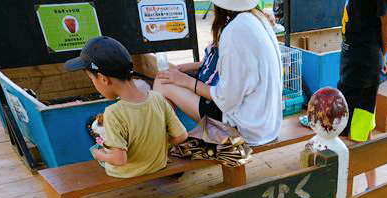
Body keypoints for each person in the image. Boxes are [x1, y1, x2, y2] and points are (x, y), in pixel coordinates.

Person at [153, 0, 283, 146]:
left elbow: (226, 100)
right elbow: (236, 67)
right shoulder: (257, 18)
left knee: (162, 82)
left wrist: (186, 81)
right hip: (267, 123)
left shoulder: (234, 31)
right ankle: (175, 139)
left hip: (246, 128)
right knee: (171, 80)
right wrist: (186, 68)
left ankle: (166, 144)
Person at [65, 36, 188, 178]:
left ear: (104, 79)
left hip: (126, 172)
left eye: (92, 79)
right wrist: (157, 144)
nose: (94, 83)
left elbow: (119, 160)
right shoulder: (157, 98)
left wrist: (97, 154)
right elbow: (181, 135)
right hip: (158, 163)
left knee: (97, 147)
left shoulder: (113, 113)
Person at [338, 0, 387, 188]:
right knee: (362, 130)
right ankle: (372, 187)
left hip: (362, 68)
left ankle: (346, 194)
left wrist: (381, 54)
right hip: (352, 64)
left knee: (350, 134)